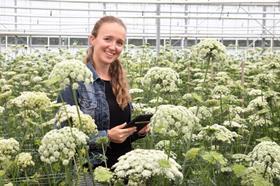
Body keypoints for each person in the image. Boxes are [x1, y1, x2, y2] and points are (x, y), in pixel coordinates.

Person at [58, 16, 150, 168]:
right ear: (92, 40)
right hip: (90, 172)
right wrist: (105, 136)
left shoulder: (119, 82)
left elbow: (120, 135)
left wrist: (137, 131)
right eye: (108, 39)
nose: (113, 47)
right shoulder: (74, 82)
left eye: (119, 42)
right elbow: (62, 134)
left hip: (124, 168)